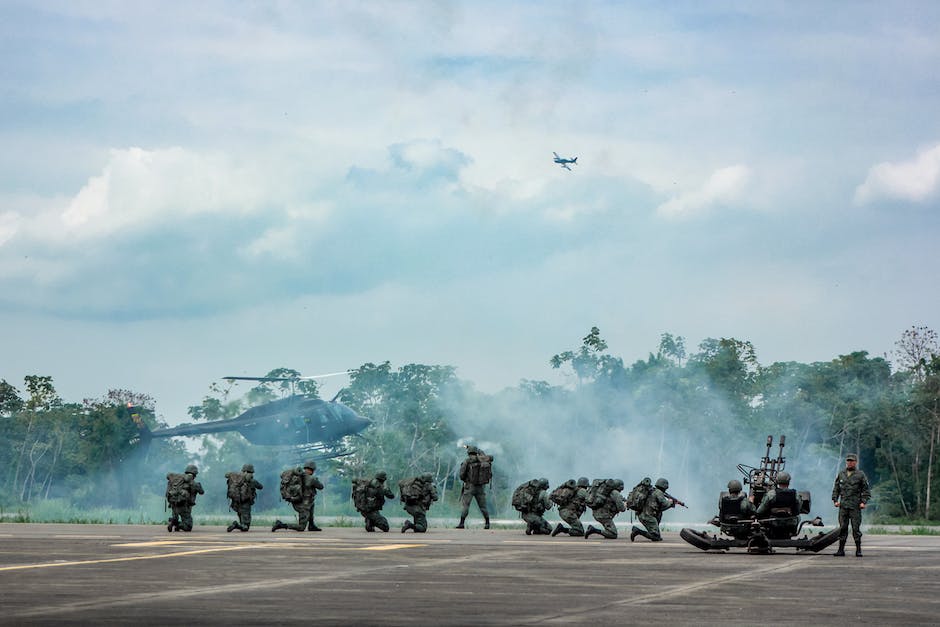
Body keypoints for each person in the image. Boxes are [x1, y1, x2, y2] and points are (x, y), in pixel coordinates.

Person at [832, 453, 871, 557]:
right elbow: (836, 489)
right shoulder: (841, 474)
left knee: (855, 529)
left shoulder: (860, 475)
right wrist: (835, 500)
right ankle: (841, 550)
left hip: (855, 507)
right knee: (842, 528)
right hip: (843, 506)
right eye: (848, 461)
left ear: (855, 462)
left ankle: (858, 550)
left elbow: (866, 491)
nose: (849, 463)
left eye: (852, 461)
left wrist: (863, 502)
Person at [272, 460, 324, 532]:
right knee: (301, 527)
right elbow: (321, 486)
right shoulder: (311, 478)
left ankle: (311, 525)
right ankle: (281, 525)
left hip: (298, 501)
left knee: (312, 505)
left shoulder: (298, 476)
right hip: (304, 505)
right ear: (312, 469)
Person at [754, 471, 803, 539]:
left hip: (774, 523)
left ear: (777, 481)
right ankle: (791, 532)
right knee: (798, 516)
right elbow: (797, 510)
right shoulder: (796, 494)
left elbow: (759, 511)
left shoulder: (771, 494)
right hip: (790, 523)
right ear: (788, 482)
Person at [456, 445, 493, 529]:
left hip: (469, 486)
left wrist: (466, 479)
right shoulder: (483, 460)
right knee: (483, 506)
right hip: (480, 487)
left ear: (468, 452)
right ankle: (487, 523)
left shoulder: (467, 461)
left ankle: (462, 523)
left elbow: (461, 475)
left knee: (466, 505)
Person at [630, 477, 676, 542]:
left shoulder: (652, 491)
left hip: (644, 515)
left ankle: (649, 532)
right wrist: (670, 502)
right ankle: (637, 531)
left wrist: (671, 505)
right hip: (648, 516)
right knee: (656, 537)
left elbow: (660, 508)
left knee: (658, 537)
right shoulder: (659, 492)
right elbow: (664, 504)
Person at [226, 463, 264, 532]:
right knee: (246, 527)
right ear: (251, 471)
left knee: (243, 525)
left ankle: (239, 525)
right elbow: (260, 487)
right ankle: (236, 525)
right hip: (245, 504)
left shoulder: (236, 479)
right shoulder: (251, 481)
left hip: (236, 503)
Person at [166, 464, 204, 532]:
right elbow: (201, 492)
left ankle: (173, 522)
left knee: (175, 516)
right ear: (194, 473)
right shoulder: (191, 482)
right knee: (188, 526)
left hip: (173, 502)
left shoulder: (177, 480)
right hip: (183, 504)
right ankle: (177, 525)